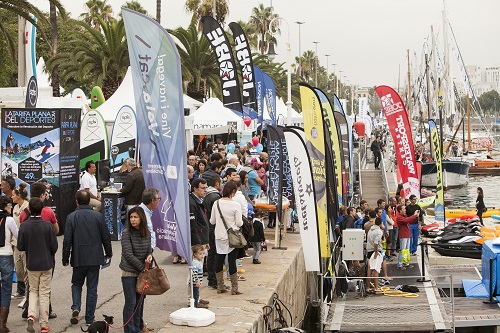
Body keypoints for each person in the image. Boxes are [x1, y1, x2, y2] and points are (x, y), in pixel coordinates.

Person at [62, 190, 112, 326]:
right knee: (92, 288)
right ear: (89, 201)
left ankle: (76, 307)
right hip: (95, 257)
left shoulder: (71, 217)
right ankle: (89, 318)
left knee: (77, 283)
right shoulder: (98, 216)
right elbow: (105, 237)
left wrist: (65, 258)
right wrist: (108, 253)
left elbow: (67, 240)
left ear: (76, 201)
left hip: (78, 257)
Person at [17, 198, 58, 333]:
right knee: (44, 293)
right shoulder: (47, 226)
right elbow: (54, 246)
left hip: (31, 263)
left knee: (33, 290)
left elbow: (20, 246)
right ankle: (44, 324)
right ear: (41, 209)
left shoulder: (24, 226)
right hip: (46, 263)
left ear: (29, 209)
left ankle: (31, 315)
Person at [119, 207, 152, 333]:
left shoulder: (146, 232)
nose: (133, 220)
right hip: (129, 272)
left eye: (135, 217)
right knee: (131, 302)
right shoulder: (126, 232)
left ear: (141, 218)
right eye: (131, 217)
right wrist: (142, 268)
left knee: (139, 302)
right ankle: (129, 330)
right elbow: (128, 254)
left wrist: (149, 255)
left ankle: (138, 327)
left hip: (142, 272)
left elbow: (149, 249)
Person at [210, 181, 244, 295]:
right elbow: (239, 223)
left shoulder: (216, 203)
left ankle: (220, 286)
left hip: (219, 235)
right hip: (232, 236)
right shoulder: (236, 205)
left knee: (219, 259)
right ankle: (234, 288)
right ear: (233, 191)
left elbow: (212, 221)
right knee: (232, 261)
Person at [0, 196, 17, 333]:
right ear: (6, 206)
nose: (11, 208)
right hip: (6, 255)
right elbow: (18, 235)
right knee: (6, 289)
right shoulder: (9, 219)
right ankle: (2, 324)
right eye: (10, 206)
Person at [203, 176, 222, 289]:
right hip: (213, 228)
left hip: (209, 228)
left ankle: (212, 279)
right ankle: (213, 279)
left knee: (211, 254)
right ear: (216, 184)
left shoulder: (208, 195)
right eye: (220, 183)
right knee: (214, 254)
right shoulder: (215, 197)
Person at [11, 183, 29, 303]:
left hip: (26, 243)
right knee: (18, 269)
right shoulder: (15, 208)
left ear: (18, 196)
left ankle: (28, 294)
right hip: (16, 243)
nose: (11, 197)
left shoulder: (27, 207)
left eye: (13, 195)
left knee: (26, 268)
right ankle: (21, 290)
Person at [396, 204, 419, 270]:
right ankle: (400, 264)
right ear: (400, 210)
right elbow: (407, 220)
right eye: (404, 209)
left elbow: (410, 220)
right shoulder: (399, 218)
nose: (405, 210)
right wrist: (414, 215)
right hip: (403, 235)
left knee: (406, 250)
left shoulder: (404, 216)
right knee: (402, 250)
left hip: (407, 234)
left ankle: (406, 263)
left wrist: (416, 217)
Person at [189, 179, 209, 250]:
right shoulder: (191, 203)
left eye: (206, 187)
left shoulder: (199, 200)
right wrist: (198, 244)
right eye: (203, 188)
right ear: (195, 189)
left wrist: (206, 240)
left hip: (202, 240)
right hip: (197, 243)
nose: (206, 190)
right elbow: (193, 226)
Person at [189, 244, 209, 309]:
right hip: (195, 282)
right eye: (200, 254)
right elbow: (194, 273)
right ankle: (195, 305)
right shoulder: (195, 263)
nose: (202, 256)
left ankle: (196, 303)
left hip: (196, 282)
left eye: (203, 254)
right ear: (195, 254)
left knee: (196, 293)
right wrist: (197, 281)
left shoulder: (198, 262)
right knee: (195, 294)